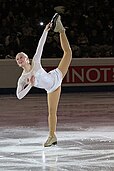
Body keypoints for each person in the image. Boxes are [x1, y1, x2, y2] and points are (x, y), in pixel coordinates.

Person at [16, 13, 72, 147]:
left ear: (27, 58)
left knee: (68, 53)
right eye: (17, 59)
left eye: (21, 57)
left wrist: (45, 30)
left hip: (56, 76)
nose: (19, 59)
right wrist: (30, 85)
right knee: (52, 112)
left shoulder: (35, 62)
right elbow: (19, 96)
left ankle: (61, 30)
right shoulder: (23, 79)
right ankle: (52, 136)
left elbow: (40, 46)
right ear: (18, 63)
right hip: (52, 89)